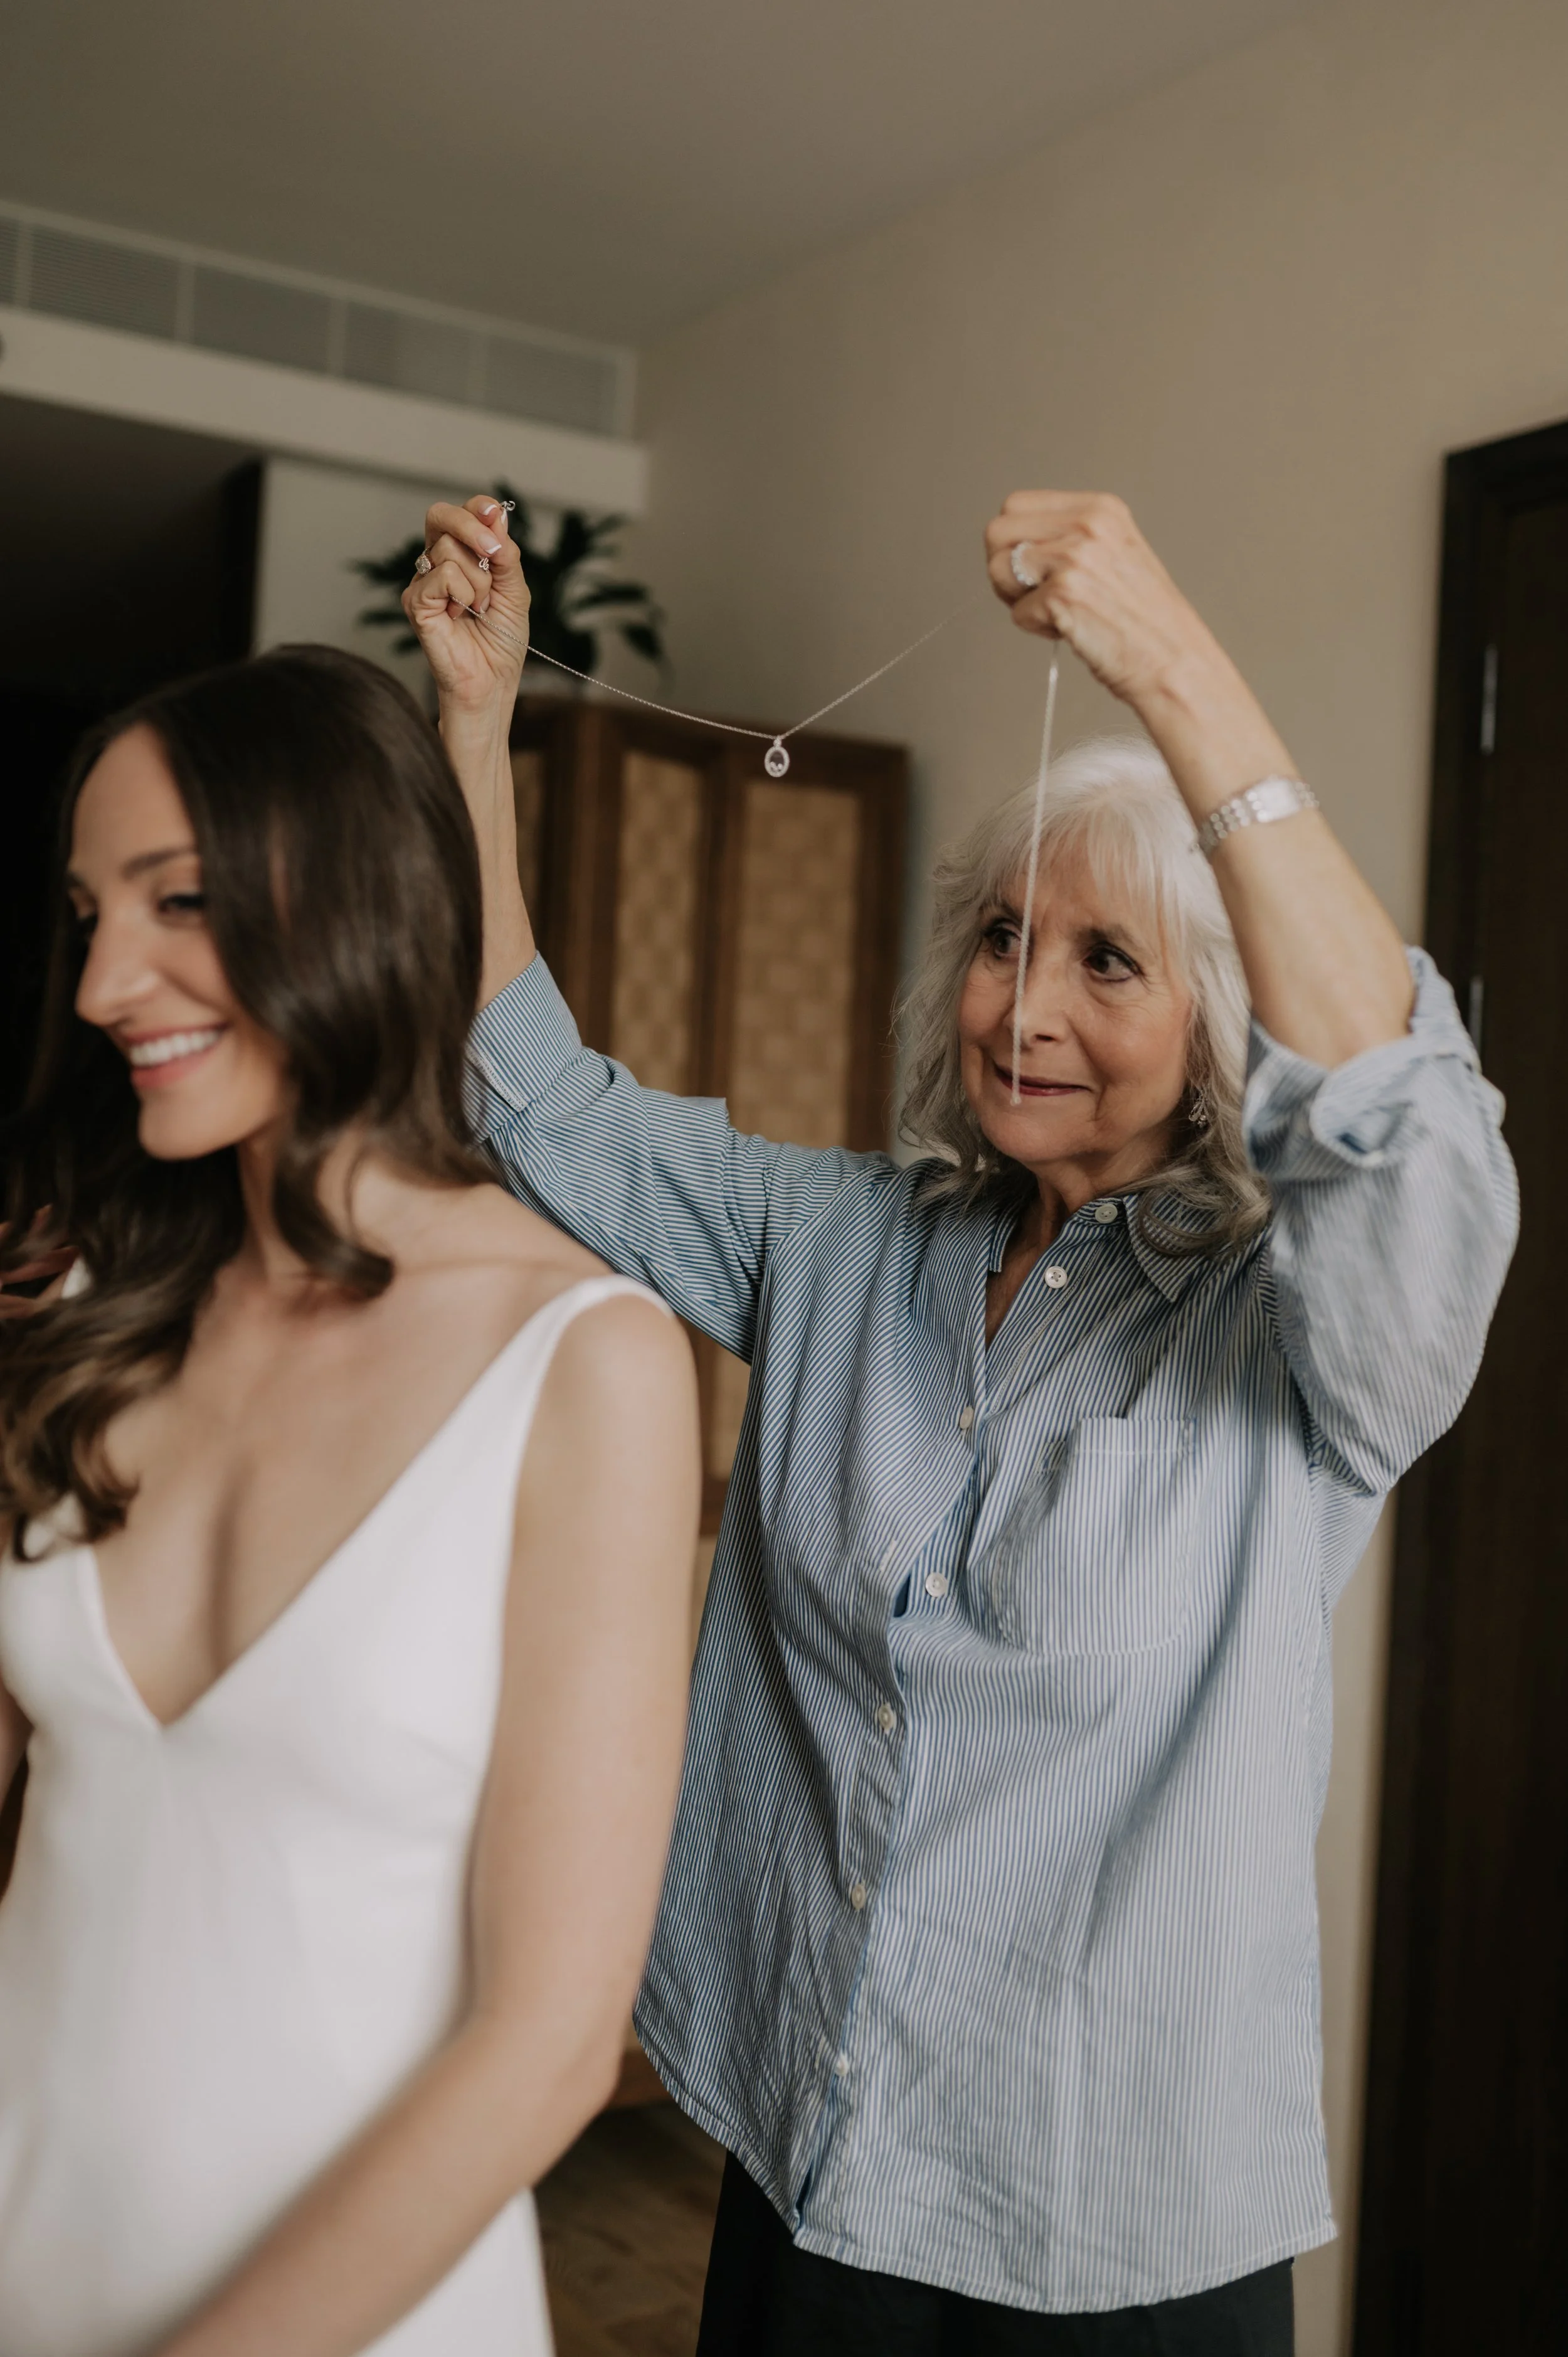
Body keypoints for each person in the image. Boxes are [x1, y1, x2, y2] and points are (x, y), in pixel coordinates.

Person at [409, 489, 1517, 2355]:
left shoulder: (1295, 1335)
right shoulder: (837, 1239)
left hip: (1119, 2213)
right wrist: (471, 727)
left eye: (1109, 960)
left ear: (1220, 1018)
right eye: (1006, 938)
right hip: (813, 2138)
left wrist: (1164, 655)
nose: (1024, 1006)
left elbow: (1413, 1135)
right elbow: (539, 1103)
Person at [0, 646, 701, 2357]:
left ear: (360, 894)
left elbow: (549, 2034)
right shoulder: (87, 1309)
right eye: (88, 914)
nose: (105, 981)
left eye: (177, 901)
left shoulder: (585, 1359)